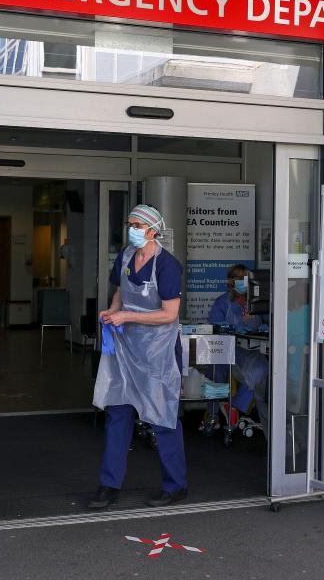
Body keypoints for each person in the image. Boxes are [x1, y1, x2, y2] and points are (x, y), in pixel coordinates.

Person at [88, 204, 187, 509]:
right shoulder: (127, 256)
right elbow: (120, 291)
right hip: (126, 346)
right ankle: (109, 484)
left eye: (137, 225)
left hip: (158, 350)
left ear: (153, 229)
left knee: (163, 416)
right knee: (117, 412)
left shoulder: (167, 265)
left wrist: (127, 316)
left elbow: (170, 314)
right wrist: (114, 310)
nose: (130, 229)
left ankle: (175, 485)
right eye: (129, 223)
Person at [207, 265, 269, 426]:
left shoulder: (256, 301)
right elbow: (213, 325)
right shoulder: (223, 302)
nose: (244, 283)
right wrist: (232, 328)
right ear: (232, 282)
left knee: (262, 371)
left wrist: (267, 326)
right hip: (227, 350)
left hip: (250, 352)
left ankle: (233, 407)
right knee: (216, 372)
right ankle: (213, 416)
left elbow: (269, 319)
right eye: (240, 280)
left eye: (246, 279)